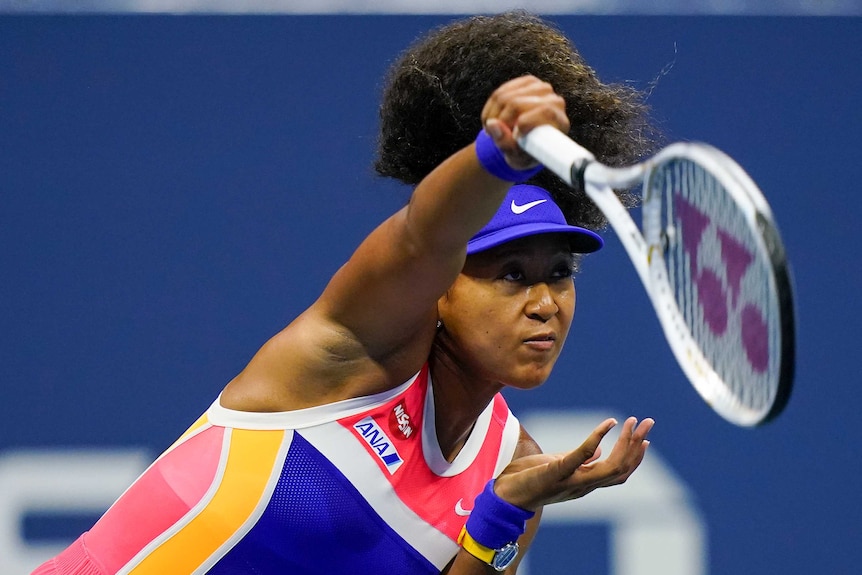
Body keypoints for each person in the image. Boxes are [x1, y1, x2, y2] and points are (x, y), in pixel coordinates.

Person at [34, 11, 657, 575]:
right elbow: (420, 238)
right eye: (511, 275)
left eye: (560, 273)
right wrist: (494, 155)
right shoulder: (347, 360)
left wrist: (505, 512)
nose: (545, 303)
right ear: (439, 287)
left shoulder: (513, 467)